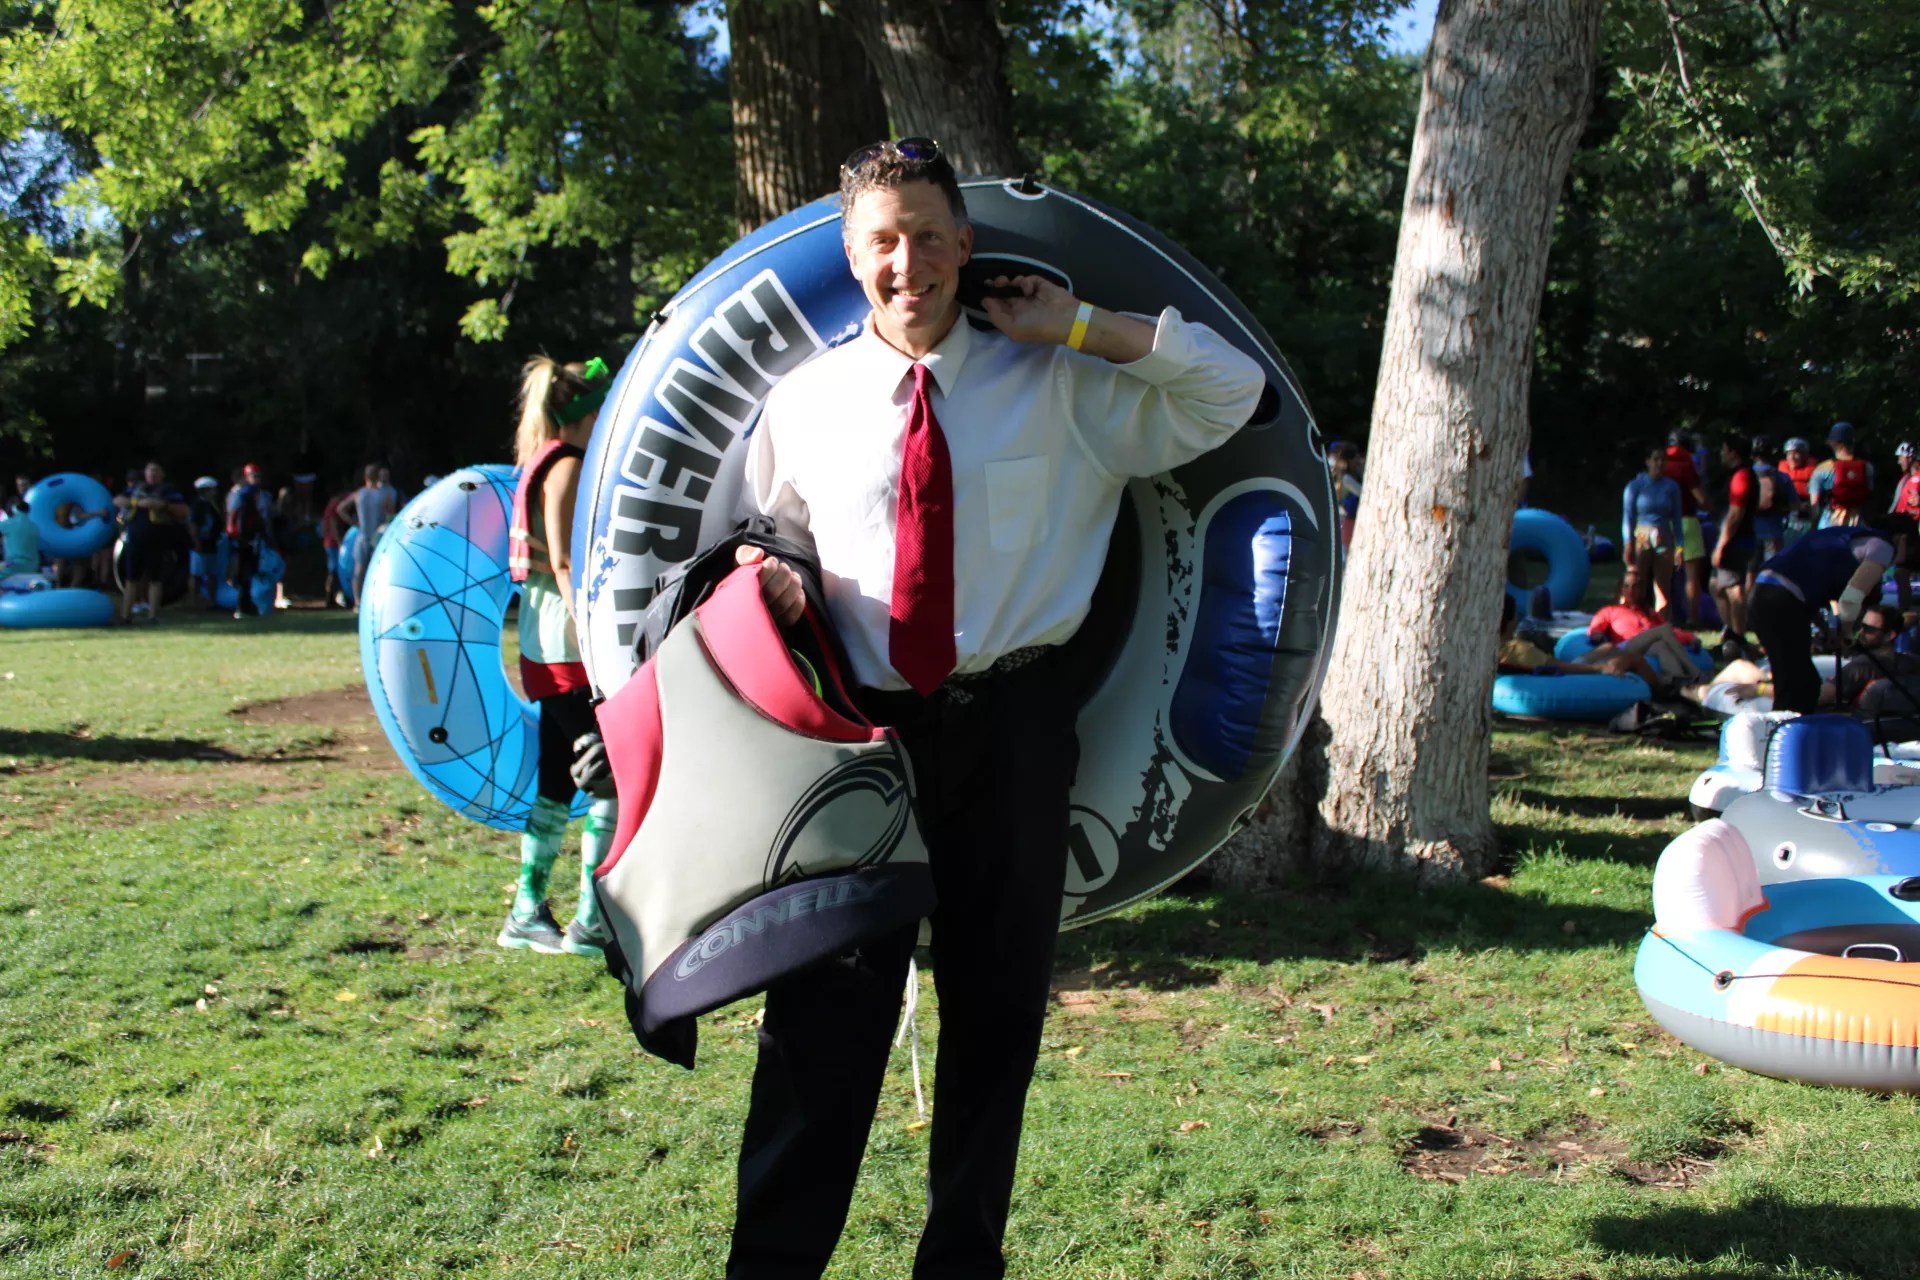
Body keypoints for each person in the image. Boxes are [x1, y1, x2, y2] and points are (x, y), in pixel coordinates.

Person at [731, 136, 1265, 1279]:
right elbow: (767, 539)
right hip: (862, 743)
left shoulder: (1063, 384)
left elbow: (1233, 389)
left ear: (965, 243)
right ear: (850, 254)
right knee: (819, 1026)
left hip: (1013, 729)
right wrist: (771, 588)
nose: (907, 263)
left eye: (929, 235)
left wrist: (1080, 326)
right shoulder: (804, 402)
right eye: (883, 240)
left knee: (994, 1021)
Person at [499, 354, 616, 959]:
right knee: (611, 777)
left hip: (539, 640)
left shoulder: (539, 460)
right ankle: (593, 921)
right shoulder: (567, 464)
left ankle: (526, 911)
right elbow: (567, 563)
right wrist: (595, 635)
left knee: (554, 780)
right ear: (589, 416)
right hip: (566, 645)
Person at [1748, 516, 1917, 713]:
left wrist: (1826, 630)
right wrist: (1846, 633)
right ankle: (1786, 729)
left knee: (1800, 680)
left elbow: (1807, 590)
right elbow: (1851, 598)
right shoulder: (1882, 546)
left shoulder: (1850, 537)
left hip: (1763, 594)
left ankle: (1788, 724)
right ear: (1902, 538)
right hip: (1780, 600)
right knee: (1798, 684)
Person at [113, 461, 188, 623]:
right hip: (134, 540)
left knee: (156, 579)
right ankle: (126, 615)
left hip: (157, 540)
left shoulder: (168, 491)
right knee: (131, 578)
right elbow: (117, 500)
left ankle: (152, 616)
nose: (152, 474)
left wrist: (162, 505)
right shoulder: (136, 489)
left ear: (162, 474)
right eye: (149, 471)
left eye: (156, 471)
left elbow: (184, 510)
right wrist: (135, 503)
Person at [1621, 442, 1683, 617]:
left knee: (1663, 586)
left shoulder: (1672, 487)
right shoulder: (1635, 486)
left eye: (1663, 460)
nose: (1659, 463)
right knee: (1635, 581)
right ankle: (1630, 618)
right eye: (1655, 459)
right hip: (1642, 536)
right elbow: (1628, 517)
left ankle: (1661, 621)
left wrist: (1680, 546)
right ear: (1648, 461)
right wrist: (1628, 543)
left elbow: (1677, 519)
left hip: (1663, 536)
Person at [1709, 433, 1757, 640]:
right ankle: (1730, 631)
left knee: (1733, 588)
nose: (1721, 454)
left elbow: (1736, 514)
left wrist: (1721, 544)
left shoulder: (1742, 476)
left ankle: (1738, 636)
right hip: (1734, 539)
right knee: (1716, 586)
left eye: (1724, 450)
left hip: (1736, 540)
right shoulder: (1736, 475)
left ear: (1733, 453)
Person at [1663, 429, 1711, 624]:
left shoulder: (1660, 464)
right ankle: (1692, 618)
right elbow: (1700, 497)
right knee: (1692, 575)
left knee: (1664, 573)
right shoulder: (1686, 465)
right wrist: (1712, 506)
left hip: (1663, 523)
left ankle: (1664, 616)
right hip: (1687, 521)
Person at [225, 462, 275, 619]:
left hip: (251, 539)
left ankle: (248, 606)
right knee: (243, 573)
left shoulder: (255, 494)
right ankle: (242, 606)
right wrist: (244, 538)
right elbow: (240, 518)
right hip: (243, 540)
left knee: (250, 572)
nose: (257, 479)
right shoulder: (243, 494)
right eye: (254, 476)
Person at [1810, 420, 1874, 528]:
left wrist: (1813, 525)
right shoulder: (1867, 467)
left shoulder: (1822, 468)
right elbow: (1869, 495)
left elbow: (1814, 503)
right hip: (1857, 523)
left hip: (1829, 523)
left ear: (1832, 443)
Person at [349, 464, 394, 605]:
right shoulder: (384, 495)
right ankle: (376, 600)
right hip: (377, 536)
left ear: (365, 477)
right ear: (377, 476)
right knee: (378, 569)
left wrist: (354, 523)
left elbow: (340, 509)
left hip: (362, 535)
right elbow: (391, 516)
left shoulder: (359, 494)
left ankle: (357, 602)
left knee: (359, 570)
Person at [1748, 434, 1788, 566]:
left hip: (1749, 531)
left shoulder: (1744, 476)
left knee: (1750, 569)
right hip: (1774, 531)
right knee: (1773, 568)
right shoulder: (1782, 477)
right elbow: (1795, 504)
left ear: (1752, 454)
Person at [185, 476, 224, 609]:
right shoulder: (197, 506)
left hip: (211, 544)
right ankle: (193, 601)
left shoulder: (212, 505)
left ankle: (211, 601)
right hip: (200, 544)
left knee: (212, 574)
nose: (215, 492)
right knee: (196, 574)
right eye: (212, 489)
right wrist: (196, 541)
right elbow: (193, 525)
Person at [319, 483, 359, 607]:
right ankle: (329, 598)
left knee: (335, 570)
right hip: (331, 542)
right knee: (334, 570)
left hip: (329, 541)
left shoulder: (332, 503)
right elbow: (333, 523)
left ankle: (332, 597)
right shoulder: (337, 504)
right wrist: (339, 541)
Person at [0, 498, 48, 591]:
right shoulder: (35, 527)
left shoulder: (9, 523)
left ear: (14, 509)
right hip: (33, 566)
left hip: (13, 566)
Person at [1328, 441, 1361, 551]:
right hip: (1347, 519)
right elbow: (1362, 492)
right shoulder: (1346, 479)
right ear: (1350, 460)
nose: (1359, 460)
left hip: (1348, 519)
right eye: (1356, 457)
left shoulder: (1350, 476)